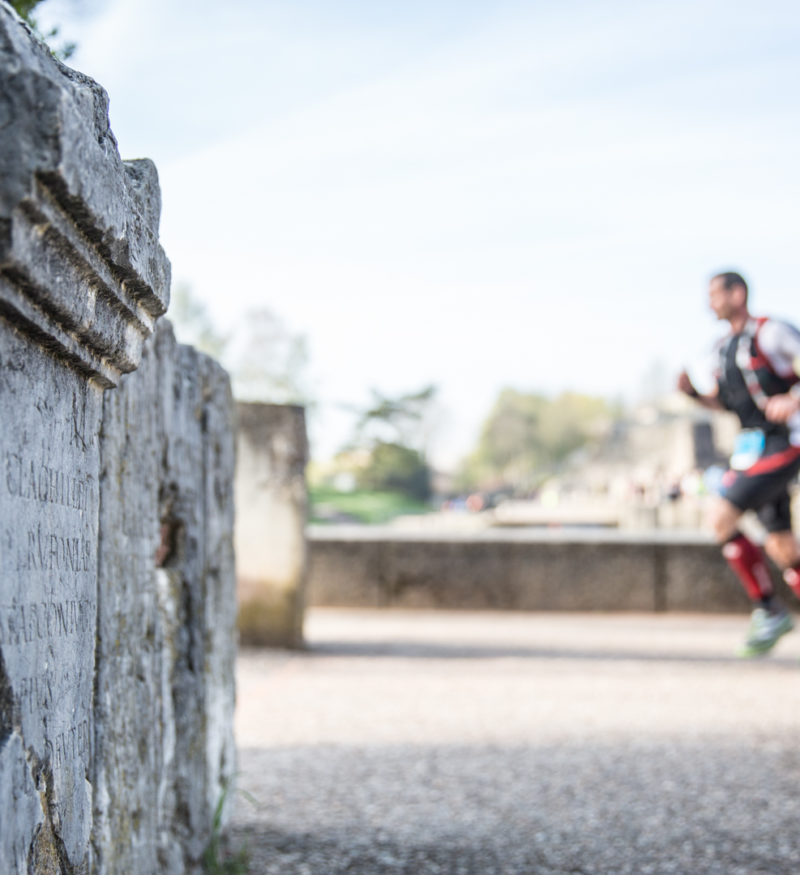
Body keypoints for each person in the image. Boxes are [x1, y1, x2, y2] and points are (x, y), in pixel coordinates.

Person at [678, 271, 800, 656]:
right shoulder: (721, 348)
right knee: (783, 548)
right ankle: (773, 610)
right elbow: (726, 402)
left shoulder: (772, 332)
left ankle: (770, 609)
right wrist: (694, 395)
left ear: (738, 292)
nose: (709, 302)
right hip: (753, 448)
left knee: (719, 516)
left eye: (715, 293)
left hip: (785, 442)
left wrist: (794, 399)